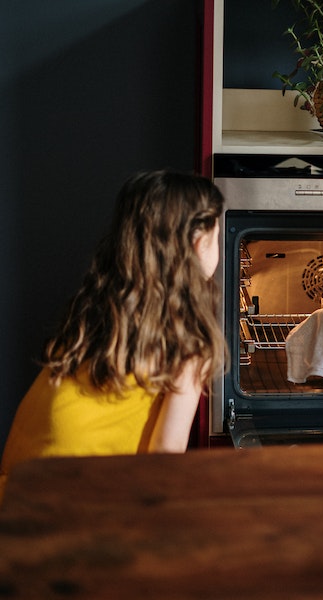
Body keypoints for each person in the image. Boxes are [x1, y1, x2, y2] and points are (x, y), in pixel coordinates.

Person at [0, 170, 227, 501]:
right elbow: (166, 453)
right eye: (218, 233)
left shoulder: (101, 301)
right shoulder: (188, 336)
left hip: (21, 482)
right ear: (198, 241)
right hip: (76, 499)